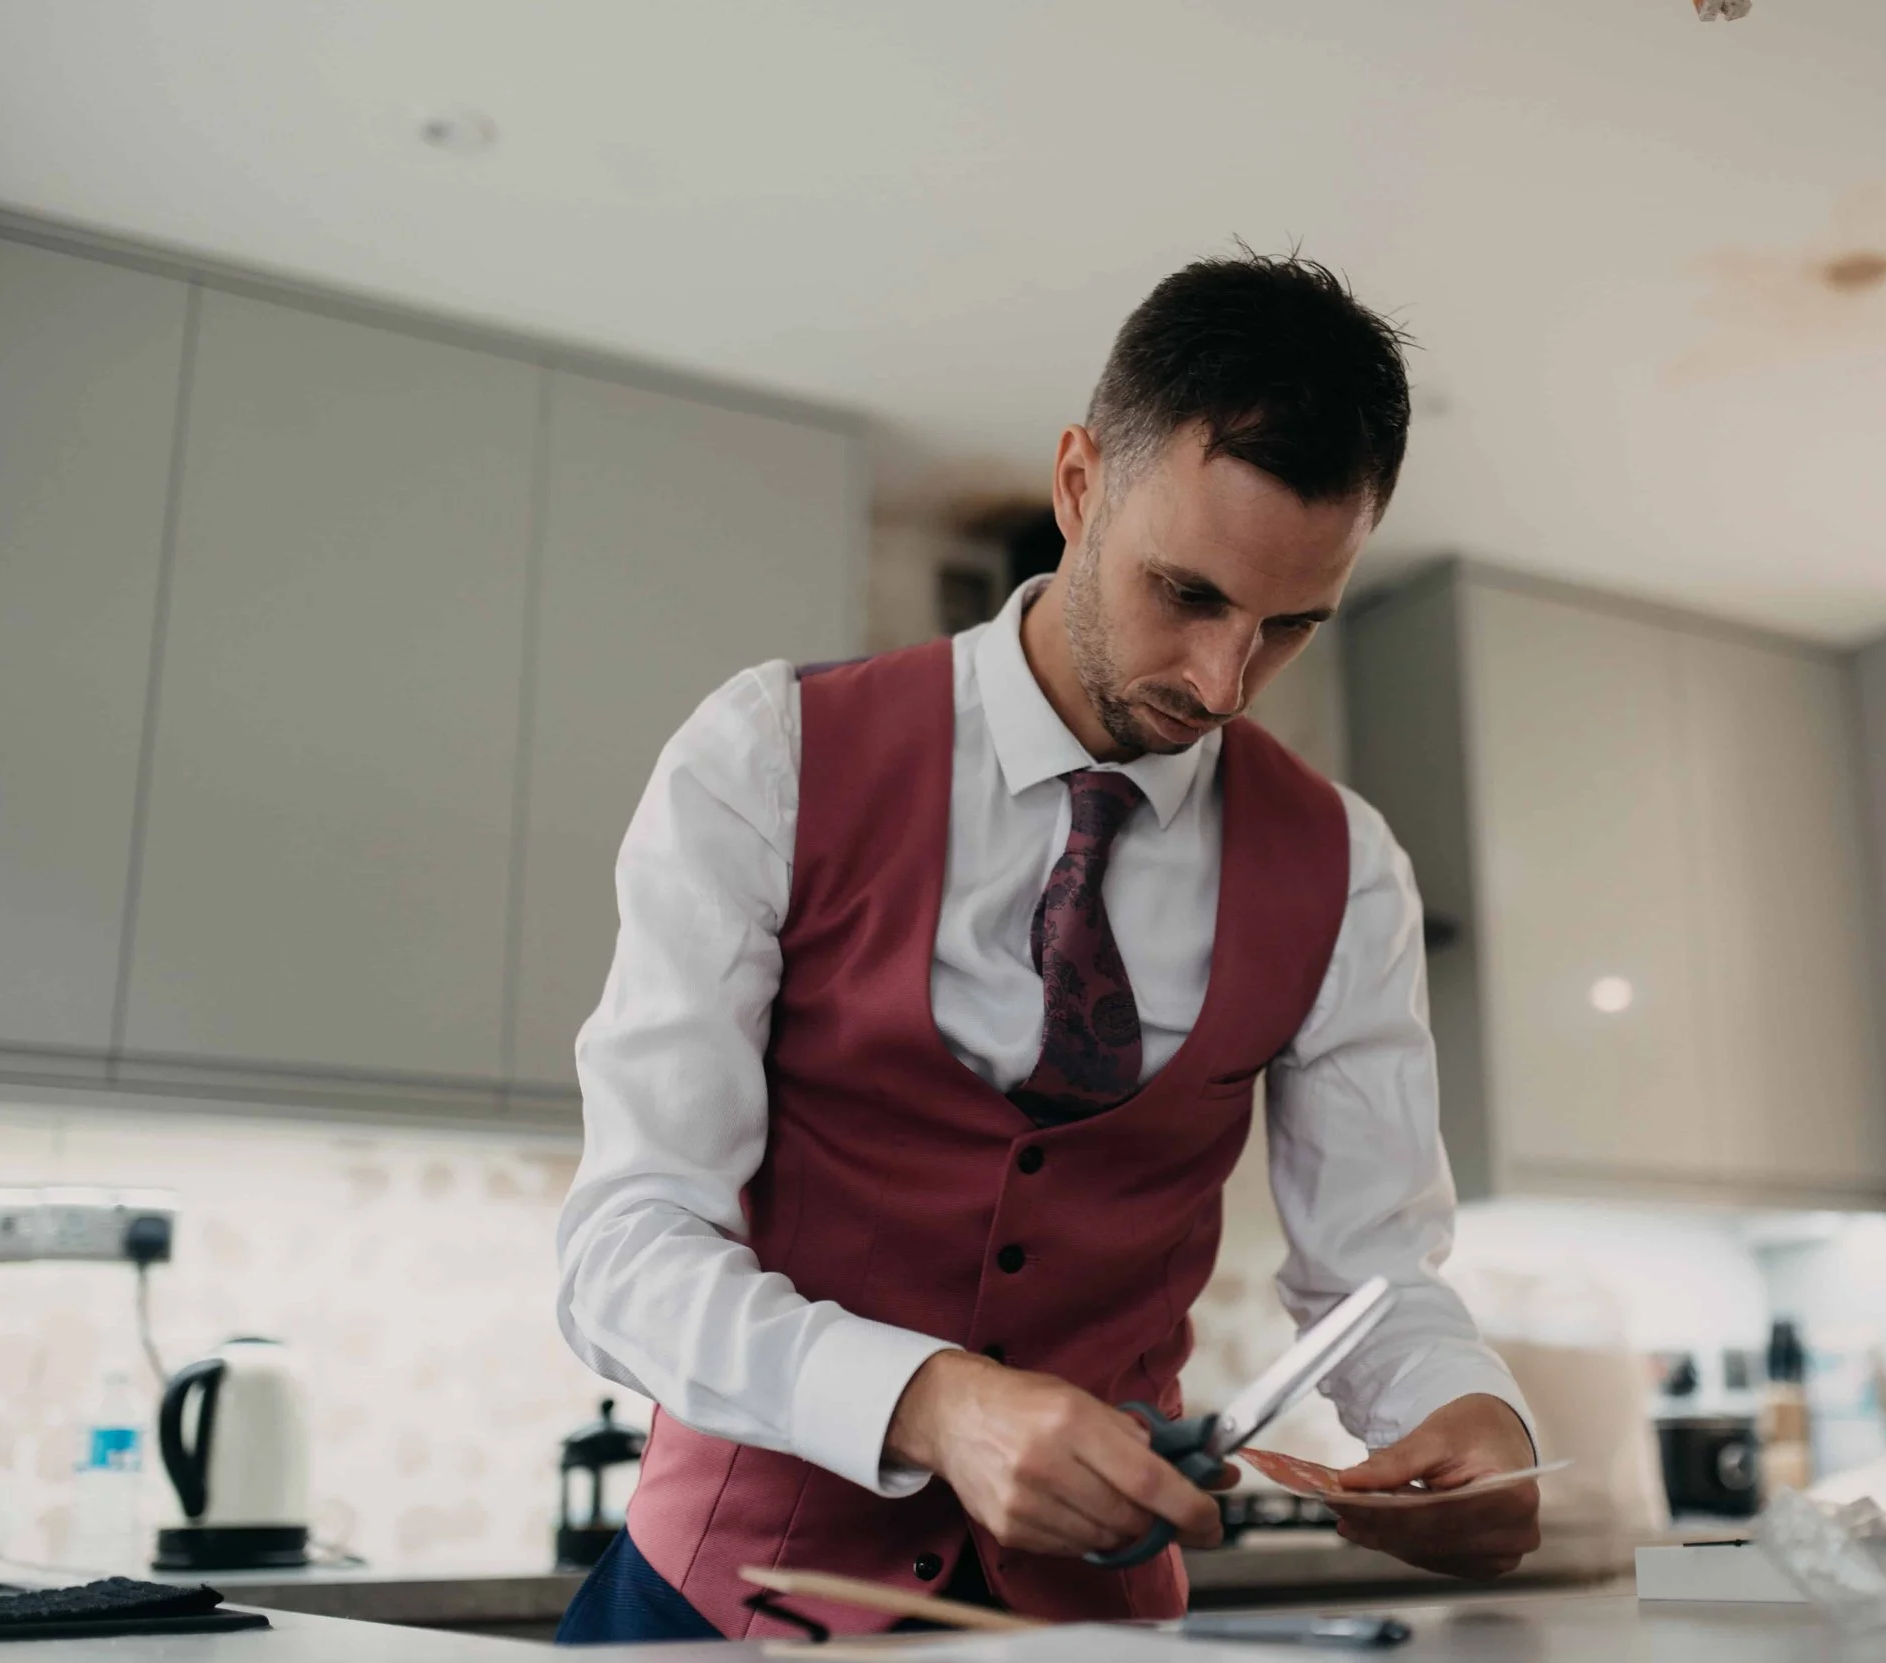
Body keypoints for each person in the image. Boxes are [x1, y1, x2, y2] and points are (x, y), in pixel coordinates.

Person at [551, 252, 1539, 1643]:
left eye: (1289, 627)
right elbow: (623, 1251)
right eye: (1186, 594)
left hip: (1096, 1629)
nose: (1223, 681)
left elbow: (1375, 1276)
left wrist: (1476, 1416)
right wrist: (930, 1401)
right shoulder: (767, 754)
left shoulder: (1350, 871)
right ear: (1079, 484)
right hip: (724, 1608)